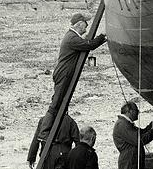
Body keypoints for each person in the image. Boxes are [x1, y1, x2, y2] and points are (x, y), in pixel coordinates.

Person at [37, 13, 107, 141]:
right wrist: (102, 36)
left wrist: (101, 39)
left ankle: (52, 130)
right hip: (64, 74)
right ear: (79, 24)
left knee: (59, 103)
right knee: (56, 103)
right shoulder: (72, 38)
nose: (87, 27)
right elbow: (89, 45)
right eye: (85, 24)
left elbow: (87, 44)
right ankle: (44, 132)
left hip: (64, 73)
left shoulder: (72, 37)